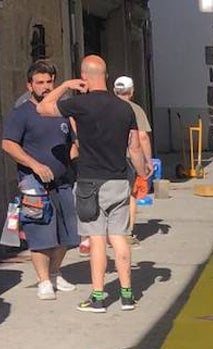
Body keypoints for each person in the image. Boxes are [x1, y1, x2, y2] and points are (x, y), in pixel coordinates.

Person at [38, 56, 149, 314]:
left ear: (84, 77)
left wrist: (66, 85)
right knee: (119, 237)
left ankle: (98, 298)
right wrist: (142, 171)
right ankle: (127, 295)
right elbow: (134, 146)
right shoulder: (125, 108)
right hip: (119, 179)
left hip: (90, 181)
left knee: (97, 239)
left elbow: (43, 108)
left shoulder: (79, 104)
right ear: (107, 76)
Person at [2, 60, 80, 302]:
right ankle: (44, 281)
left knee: (69, 233)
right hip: (33, 183)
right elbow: (8, 144)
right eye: (40, 82)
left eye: (49, 82)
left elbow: (73, 142)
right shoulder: (22, 113)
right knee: (40, 234)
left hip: (63, 180)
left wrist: (76, 154)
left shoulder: (61, 112)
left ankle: (55, 274)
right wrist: (34, 165)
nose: (45, 87)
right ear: (30, 85)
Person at [114, 76, 153, 245]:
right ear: (131, 91)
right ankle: (127, 231)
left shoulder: (106, 107)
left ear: (115, 90)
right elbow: (142, 137)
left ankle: (103, 233)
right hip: (128, 159)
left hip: (106, 157)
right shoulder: (135, 110)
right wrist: (147, 161)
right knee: (131, 194)